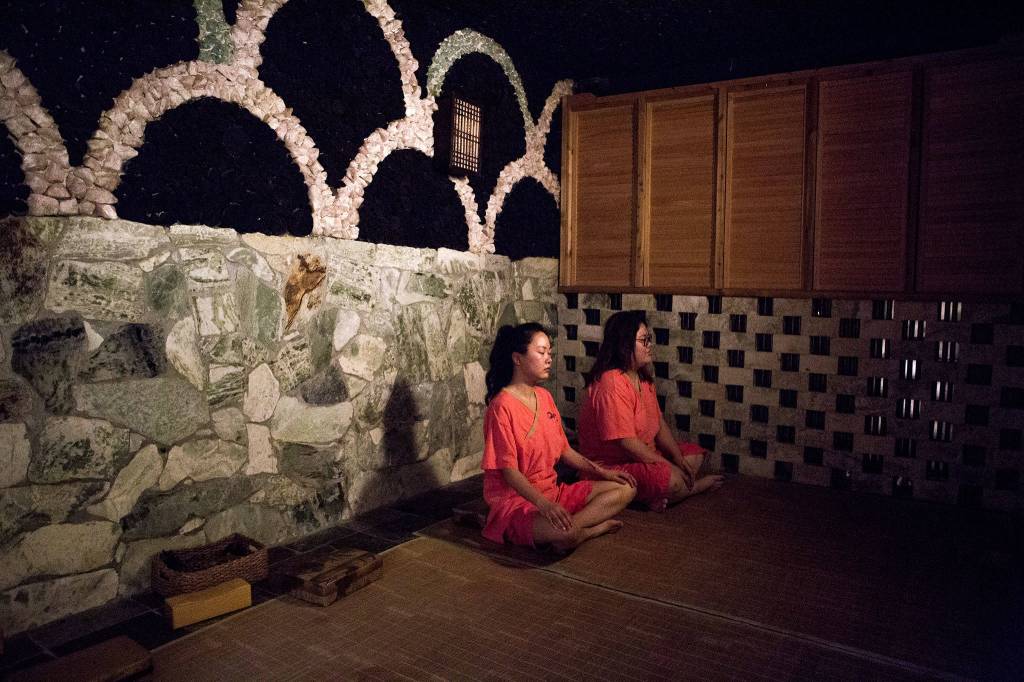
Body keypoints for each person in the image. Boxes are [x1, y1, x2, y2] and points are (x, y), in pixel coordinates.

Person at [481, 322, 637, 551]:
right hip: (516, 503)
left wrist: (604, 472)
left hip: (553, 493)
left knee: (626, 488)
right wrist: (544, 504)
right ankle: (586, 530)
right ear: (517, 358)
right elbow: (509, 471)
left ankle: (571, 530)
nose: (548, 359)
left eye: (550, 353)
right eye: (541, 352)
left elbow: (564, 450)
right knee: (562, 533)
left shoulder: (544, 396)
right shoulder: (501, 406)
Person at [578, 310, 723, 511]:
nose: (649, 345)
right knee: (671, 478)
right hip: (611, 466)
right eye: (644, 340)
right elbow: (627, 443)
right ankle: (692, 488)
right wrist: (667, 465)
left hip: (642, 456)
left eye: (649, 339)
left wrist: (677, 458)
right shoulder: (611, 382)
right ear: (624, 344)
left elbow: (659, 424)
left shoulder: (642, 378)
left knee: (693, 456)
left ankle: (656, 495)